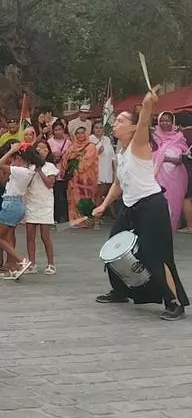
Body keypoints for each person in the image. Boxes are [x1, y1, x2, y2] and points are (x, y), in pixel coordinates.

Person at [92, 89, 188, 321]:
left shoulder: (139, 145)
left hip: (151, 207)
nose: (116, 124)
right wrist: (104, 205)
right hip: (129, 207)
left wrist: (146, 106)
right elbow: (118, 183)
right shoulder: (122, 152)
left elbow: (144, 122)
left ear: (133, 127)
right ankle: (120, 290)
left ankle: (174, 302)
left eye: (121, 121)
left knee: (156, 255)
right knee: (112, 248)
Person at [0, 142, 41, 280]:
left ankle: (21, 260)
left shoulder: (22, 171)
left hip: (11, 204)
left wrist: (11, 150)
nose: (13, 162)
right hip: (16, 204)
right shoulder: (28, 170)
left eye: (15, 159)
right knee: (7, 236)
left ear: (21, 159)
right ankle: (13, 268)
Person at [25, 140, 58, 275]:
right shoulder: (30, 167)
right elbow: (26, 184)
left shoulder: (50, 166)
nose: (41, 150)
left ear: (48, 151)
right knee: (30, 235)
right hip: (32, 202)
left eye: (44, 148)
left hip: (45, 203)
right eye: (38, 148)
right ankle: (31, 263)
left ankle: (51, 263)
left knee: (45, 236)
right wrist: (33, 170)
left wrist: (40, 171)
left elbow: (50, 184)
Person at [153, 111, 189, 232]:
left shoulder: (178, 137)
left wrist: (174, 159)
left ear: (172, 122)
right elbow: (149, 153)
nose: (165, 123)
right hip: (157, 175)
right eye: (162, 120)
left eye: (167, 120)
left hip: (175, 176)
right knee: (159, 201)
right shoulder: (154, 136)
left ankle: (171, 226)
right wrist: (164, 158)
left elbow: (182, 156)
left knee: (173, 201)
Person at [62, 126, 98, 226]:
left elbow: (88, 160)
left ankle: (87, 221)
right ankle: (75, 220)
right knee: (73, 198)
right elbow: (65, 159)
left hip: (86, 179)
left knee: (85, 198)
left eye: (82, 133)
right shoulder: (72, 146)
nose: (80, 135)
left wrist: (78, 162)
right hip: (73, 177)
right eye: (78, 133)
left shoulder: (91, 146)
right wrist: (73, 157)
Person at [90, 121, 116, 226]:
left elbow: (112, 156)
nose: (99, 130)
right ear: (93, 129)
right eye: (96, 128)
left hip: (108, 170)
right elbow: (87, 157)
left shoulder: (107, 139)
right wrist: (96, 152)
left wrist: (114, 171)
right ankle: (96, 218)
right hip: (97, 171)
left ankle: (112, 215)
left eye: (101, 128)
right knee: (99, 194)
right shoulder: (90, 140)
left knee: (109, 194)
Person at [48, 121, 71, 223]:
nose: (58, 132)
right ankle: (55, 217)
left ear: (63, 130)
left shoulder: (68, 142)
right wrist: (54, 156)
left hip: (64, 172)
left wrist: (63, 155)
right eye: (56, 130)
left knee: (64, 196)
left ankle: (65, 217)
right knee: (55, 196)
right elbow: (47, 155)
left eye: (60, 129)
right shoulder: (49, 142)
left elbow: (72, 155)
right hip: (53, 172)